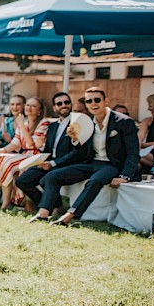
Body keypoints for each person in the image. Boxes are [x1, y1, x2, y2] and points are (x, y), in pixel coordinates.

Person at [30, 87, 139, 225]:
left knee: (95, 180)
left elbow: (133, 153)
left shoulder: (123, 121)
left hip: (112, 165)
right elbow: (82, 152)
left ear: (106, 101)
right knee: (52, 176)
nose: (93, 103)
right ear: (86, 104)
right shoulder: (88, 122)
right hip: (92, 163)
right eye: (89, 101)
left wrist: (125, 176)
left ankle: (70, 216)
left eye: (97, 100)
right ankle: (43, 214)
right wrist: (75, 139)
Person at [15, 92, 90, 213]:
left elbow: (78, 152)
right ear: (55, 108)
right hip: (49, 161)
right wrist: (41, 160)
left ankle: (45, 210)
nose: (63, 105)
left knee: (45, 180)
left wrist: (54, 163)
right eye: (59, 103)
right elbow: (48, 149)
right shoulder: (53, 126)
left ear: (71, 105)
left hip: (68, 163)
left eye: (66, 102)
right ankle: (56, 206)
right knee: (22, 180)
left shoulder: (77, 124)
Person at [0, 97, 48, 210]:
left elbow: (31, 144)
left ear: (39, 110)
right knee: (2, 158)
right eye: (28, 105)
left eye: (33, 106)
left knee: (7, 162)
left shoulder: (43, 123)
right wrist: (3, 150)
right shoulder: (24, 122)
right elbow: (16, 143)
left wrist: (21, 125)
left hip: (36, 156)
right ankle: (4, 203)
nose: (29, 108)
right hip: (25, 155)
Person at [138, 93, 154, 172]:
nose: (148, 109)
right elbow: (139, 137)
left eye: (150, 105)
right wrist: (138, 145)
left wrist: (143, 145)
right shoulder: (148, 121)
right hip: (149, 154)